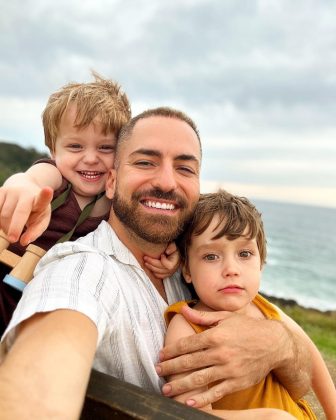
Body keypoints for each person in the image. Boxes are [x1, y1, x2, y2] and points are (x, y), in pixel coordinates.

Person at [0, 108, 311, 419]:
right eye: (145, 162)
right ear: (111, 182)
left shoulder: (198, 266)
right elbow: (41, 379)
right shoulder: (83, 270)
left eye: (185, 169)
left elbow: (301, 379)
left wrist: (277, 344)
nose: (166, 181)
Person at [0, 74, 178, 333]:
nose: (91, 158)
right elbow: (32, 181)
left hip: (46, 311)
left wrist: (174, 258)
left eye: (105, 148)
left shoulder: (118, 205)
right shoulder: (55, 179)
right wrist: (22, 186)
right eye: (75, 146)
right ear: (53, 151)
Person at [164, 190, 336, 419]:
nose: (231, 269)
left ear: (261, 263)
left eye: (244, 253)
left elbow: (311, 357)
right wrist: (271, 418)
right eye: (211, 257)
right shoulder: (186, 326)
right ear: (186, 269)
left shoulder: (264, 308)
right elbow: (190, 412)